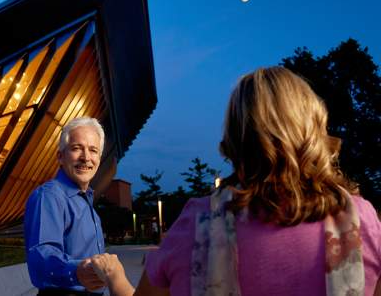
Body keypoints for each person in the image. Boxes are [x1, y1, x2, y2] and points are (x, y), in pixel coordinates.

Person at [89, 67, 381, 295]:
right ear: (315, 130)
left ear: (236, 138)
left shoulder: (197, 225)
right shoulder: (361, 221)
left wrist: (115, 277)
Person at [24, 117, 107, 295]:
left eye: (93, 150)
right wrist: (77, 271)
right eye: (77, 148)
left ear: (99, 158)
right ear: (60, 156)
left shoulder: (88, 204)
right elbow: (41, 256)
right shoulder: (49, 196)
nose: (86, 158)